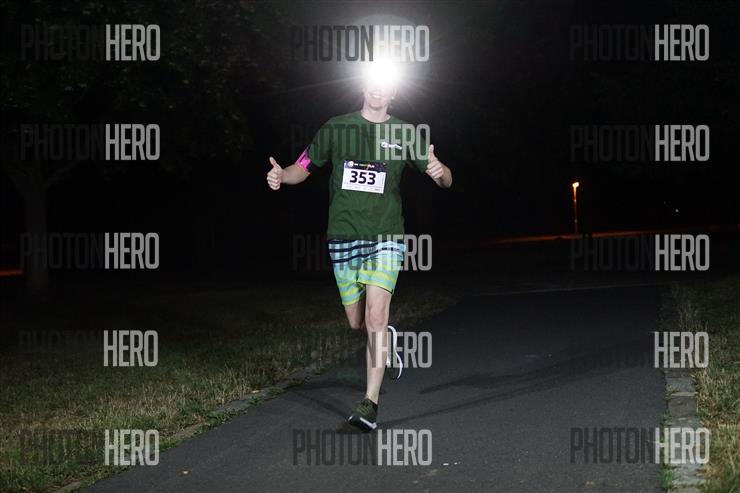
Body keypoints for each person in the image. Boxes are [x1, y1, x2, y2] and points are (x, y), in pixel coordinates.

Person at [266, 67, 452, 431]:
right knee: (357, 322)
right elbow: (304, 165)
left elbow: (447, 179)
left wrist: (439, 170)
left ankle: (370, 403)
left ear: (394, 92)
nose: (378, 89)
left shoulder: (404, 132)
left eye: (386, 84)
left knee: (375, 317)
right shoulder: (336, 127)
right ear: (363, 86)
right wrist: (282, 176)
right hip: (343, 237)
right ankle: (386, 342)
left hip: (386, 237)